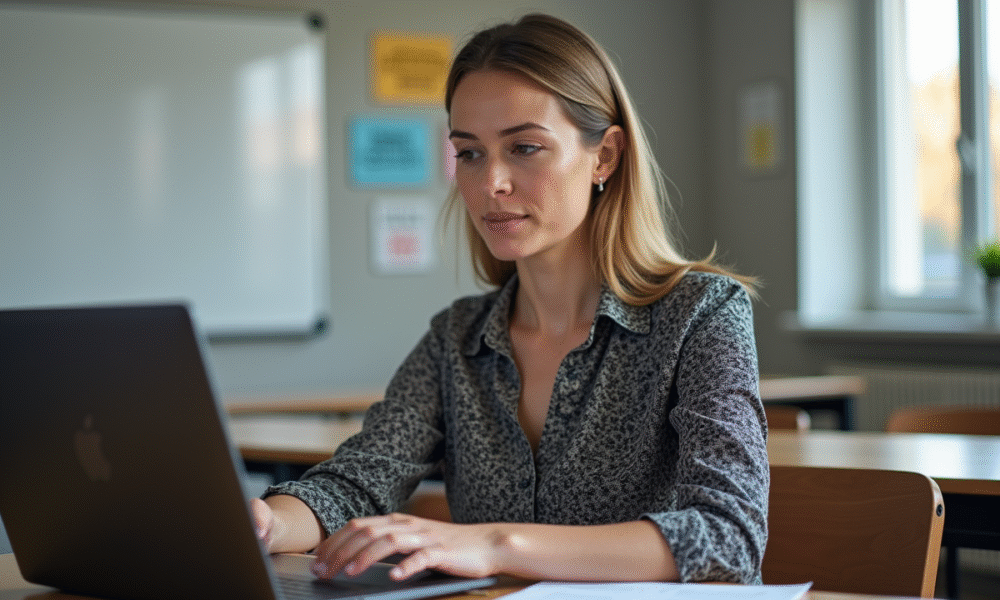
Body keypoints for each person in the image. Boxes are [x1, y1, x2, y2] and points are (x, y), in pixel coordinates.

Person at [251, 12, 768, 585]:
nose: (490, 183)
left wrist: (496, 545)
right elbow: (355, 482)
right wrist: (263, 523)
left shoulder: (701, 315)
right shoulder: (458, 337)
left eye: (524, 147)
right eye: (469, 152)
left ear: (606, 156)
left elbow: (727, 537)